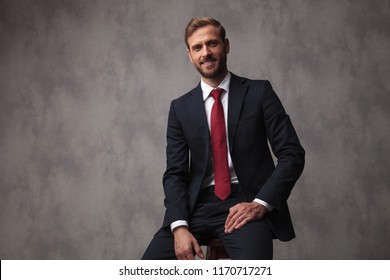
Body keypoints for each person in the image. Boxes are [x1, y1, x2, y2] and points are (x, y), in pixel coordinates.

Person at [142, 17, 305, 260]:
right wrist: (179, 225)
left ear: (226, 45)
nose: (205, 53)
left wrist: (260, 204)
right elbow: (175, 173)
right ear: (189, 55)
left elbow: (292, 155)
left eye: (212, 44)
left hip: (245, 202)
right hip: (196, 207)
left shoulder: (259, 93)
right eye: (197, 47)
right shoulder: (180, 108)